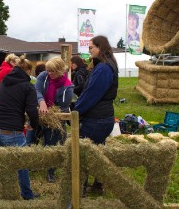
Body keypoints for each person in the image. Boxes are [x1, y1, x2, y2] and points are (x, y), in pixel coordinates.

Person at [0, 55, 39, 200]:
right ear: (28, 71)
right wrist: (33, 125)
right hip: (12, 132)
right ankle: (27, 195)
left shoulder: (5, 81)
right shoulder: (28, 87)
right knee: (21, 163)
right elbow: (31, 110)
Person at [74, 35, 118, 196]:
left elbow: (92, 94)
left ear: (100, 47)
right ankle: (99, 184)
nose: (89, 50)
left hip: (96, 119)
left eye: (91, 47)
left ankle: (81, 188)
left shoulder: (104, 68)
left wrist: (76, 109)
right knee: (99, 152)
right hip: (103, 117)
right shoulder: (106, 65)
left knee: (83, 154)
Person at [29, 57, 73, 183]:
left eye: (52, 71)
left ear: (60, 71)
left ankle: (50, 171)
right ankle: (29, 165)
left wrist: (50, 112)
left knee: (51, 143)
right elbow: (36, 90)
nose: (49, 73)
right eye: (48, 70)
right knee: (31, 139)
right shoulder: (43, 75)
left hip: (54, 118)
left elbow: (63, 105)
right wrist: (41, 102)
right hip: (38, 113)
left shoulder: (67, 87)